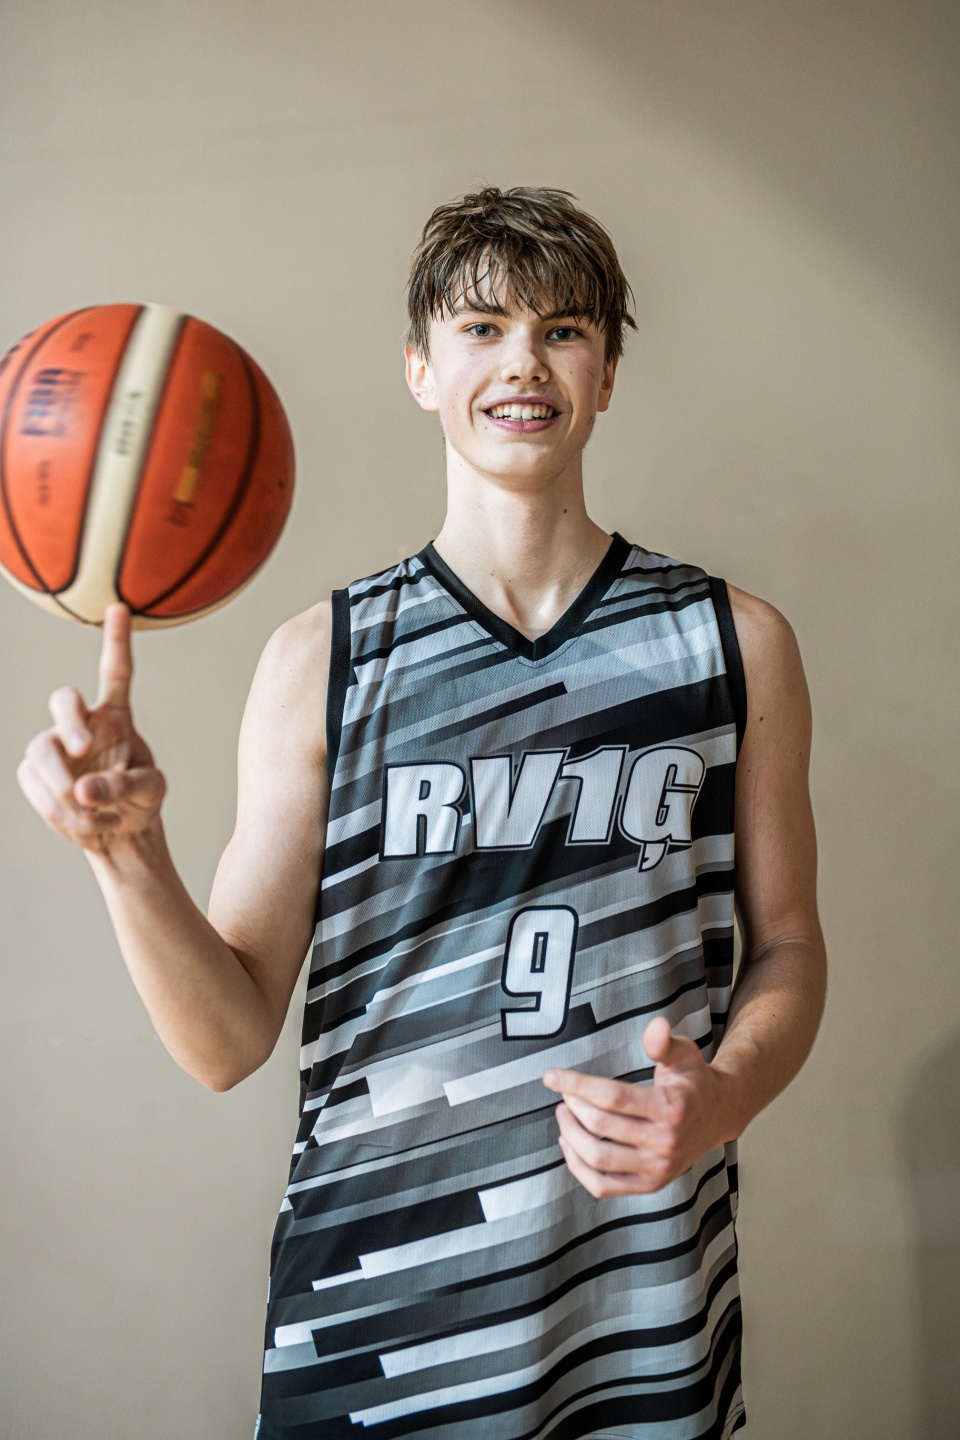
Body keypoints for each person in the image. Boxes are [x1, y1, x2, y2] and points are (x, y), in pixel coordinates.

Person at [17, 186, 826, 1440]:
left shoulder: (733, 641)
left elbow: (789, 946)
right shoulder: (323, 660)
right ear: (419, 368)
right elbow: (225, 1039)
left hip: (640, 1303)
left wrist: (725, 1096)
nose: (525, 361)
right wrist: (126, 855)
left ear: (608, 374)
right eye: (483, 327)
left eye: (564, 330)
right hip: (378, 1321)